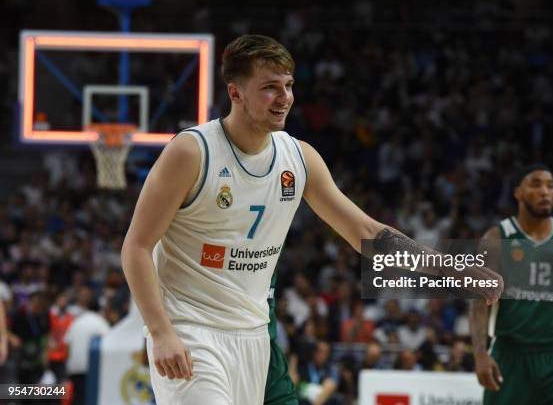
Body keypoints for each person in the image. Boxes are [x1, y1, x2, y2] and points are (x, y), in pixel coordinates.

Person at [121, 34, 503, 405]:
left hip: (255, 337)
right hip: (191, 333)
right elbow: (136, 247)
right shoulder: (192, 152)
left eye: (288, 86)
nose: (284, 98)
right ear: (235, 92)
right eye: (270, 87)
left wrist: (454, 270)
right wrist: (160, 332)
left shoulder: (299, 158)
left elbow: (367, 232)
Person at [469, 165, 553, 405]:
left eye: (550, 186)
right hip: (510, 357)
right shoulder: (497, 239)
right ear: (518, 192)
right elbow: (478, 302)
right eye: (536, 184)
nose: (545, 192)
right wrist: (479, 353)